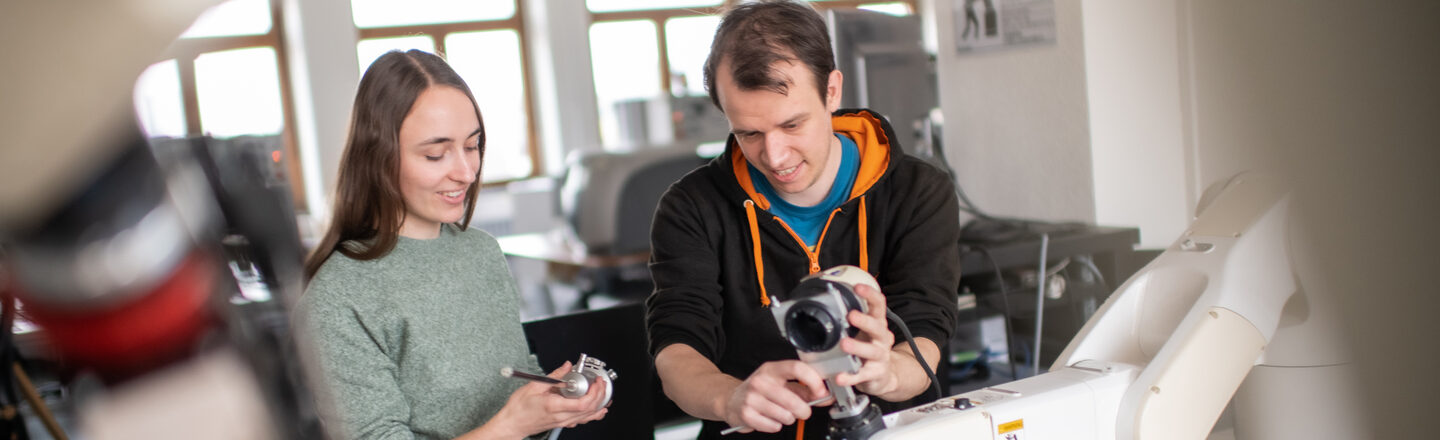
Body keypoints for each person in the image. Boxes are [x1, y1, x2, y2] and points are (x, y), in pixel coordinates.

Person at [645, 1, 961, 439]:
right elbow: (676, 347)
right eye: (749, 133)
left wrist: (890, 373)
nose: (774, 157)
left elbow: (926, 333)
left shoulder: (917, 191)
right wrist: (730, 399)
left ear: (832, 91)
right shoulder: (691, 207)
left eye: (792, 125)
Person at [295, 49, 607, 440]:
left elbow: (513, 379)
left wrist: (550, 409)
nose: (465, 172)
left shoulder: (481, 252)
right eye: (435, 154)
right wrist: (513, 424)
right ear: (378, 158)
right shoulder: (338, 297)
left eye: (472, 146)